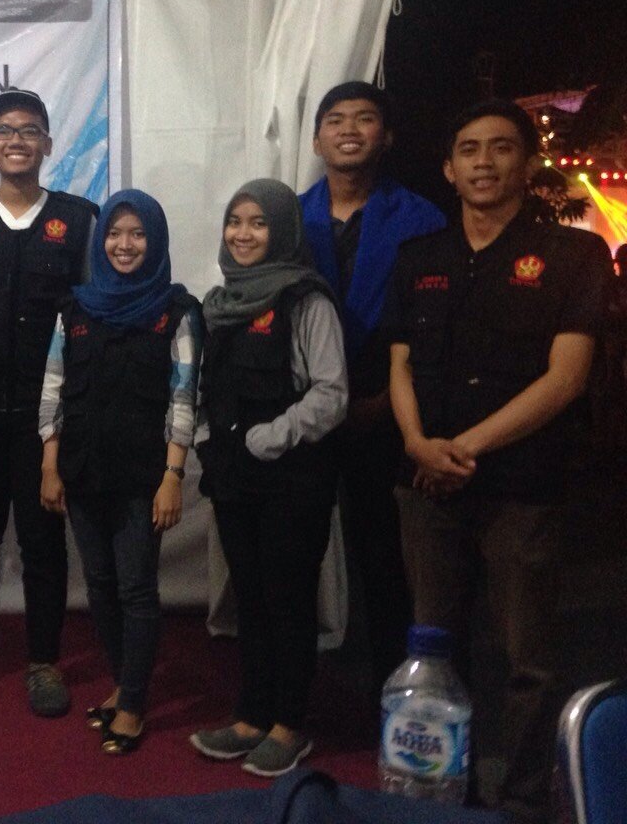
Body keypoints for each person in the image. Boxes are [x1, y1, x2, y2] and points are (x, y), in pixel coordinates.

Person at [387, 99, 611, 822]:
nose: (484, 161)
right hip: (426, 483)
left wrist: (466, 447)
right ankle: (440, 791)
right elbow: (399, 363)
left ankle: (518, 799)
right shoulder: (419, 258)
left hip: (521, 486)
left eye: (501, 147)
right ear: (449, 169)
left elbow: (566, 379)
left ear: (528, 162)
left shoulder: (572, 256)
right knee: (433, 652)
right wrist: (416, 442)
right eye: (469, 149)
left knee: (527, 660)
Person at [0, 88, 97, 716]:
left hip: (47, 418)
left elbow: (89, 320)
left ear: (47, 145)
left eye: (30, 130)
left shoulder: (78, 219)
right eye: (5, 130)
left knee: (42, 539)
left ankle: (43, 661)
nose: (17, 140)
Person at [191, 178, 347, 777]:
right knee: (250, 598)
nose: (244, 234)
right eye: (235, 222)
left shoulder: (307, 301)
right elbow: (209, 384)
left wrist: (270, 437)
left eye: (258, 223)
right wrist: (208, 436)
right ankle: (252, 715)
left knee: (288, 599)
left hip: (292, 481)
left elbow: (331, 393)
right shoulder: (220, 302)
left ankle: (289, 723)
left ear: (281, 231)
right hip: (234, 480)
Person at [38, 189, 198, 755]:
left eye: (137, 234)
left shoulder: (177, 312)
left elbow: (184, 398)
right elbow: (53, 388)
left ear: (155, 241)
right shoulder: (75, 308)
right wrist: (50, 463)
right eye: (114, 233)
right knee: (100, 585)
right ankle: (121, 683)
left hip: (142, 477)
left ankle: (132, 703)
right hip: (82, 470)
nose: (124, 245)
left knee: (135, 587)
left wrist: (173, 475)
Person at [298, 82, 445, 689]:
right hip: (306, 408)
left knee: (385, 558)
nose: (349, 130)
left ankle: (394, 690)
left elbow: (432, 329)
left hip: (386, 407)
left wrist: (387, 403)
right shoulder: (289, 216)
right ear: (316, 140)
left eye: (364, 119)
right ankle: (290, 696)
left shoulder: (422, 219)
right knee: (295, 554)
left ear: (387, 137)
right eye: (335, 120)